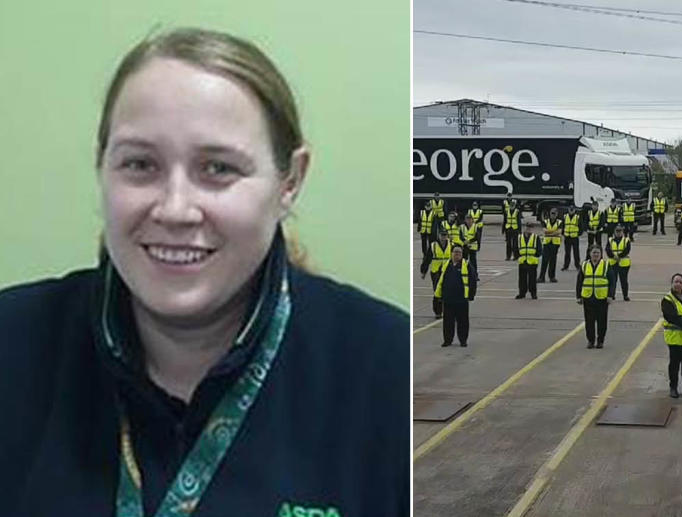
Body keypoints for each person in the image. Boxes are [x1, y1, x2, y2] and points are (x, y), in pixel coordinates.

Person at [0, 28, 408, 515]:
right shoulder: (13, 344)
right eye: (139, 164)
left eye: (217, 169)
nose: (175, 209)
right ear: (101, 166)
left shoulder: (390, 370)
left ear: (290, 181)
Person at [435, 246, 478, 347]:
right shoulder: (446, 265)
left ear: (462, 254)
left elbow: (473, 281)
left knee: (462, 321)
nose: (457, 254)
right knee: (447, 322)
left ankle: (463, 340)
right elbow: (441, 281)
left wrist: (471, 295)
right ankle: (447, 340)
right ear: (452, 253)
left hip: (461, 299)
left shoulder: (466, 265)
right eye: (455, 252)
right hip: (448, 299)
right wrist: (439, 295)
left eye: (459, 253)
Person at [576, 246, 612, 349]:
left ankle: (600, 340)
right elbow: (579, 281)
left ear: (601, 254)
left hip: (602, 297)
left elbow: (612, 281)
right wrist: (578, 296)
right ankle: (590, 340)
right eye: (594, 253)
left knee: (602, 320)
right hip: (588, 297)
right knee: (589, 321)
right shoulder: (584, 265)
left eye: (598, 253)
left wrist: (610, 295)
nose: (595, 255)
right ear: (590, 254)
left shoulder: (606, 265)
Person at [516, 221, 542, 299]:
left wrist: (535, 256)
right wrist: (518, 256)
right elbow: (516, 248)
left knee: (532, 279)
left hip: (532, 261)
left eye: (530, 228)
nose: (528, 229)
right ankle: (522, 293)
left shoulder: (535, 237)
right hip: (523, 261)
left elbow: (539, 249)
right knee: (522, 279)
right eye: (527, 227)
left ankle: (533, 293)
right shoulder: (520, 237)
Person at [605, 225, 632, 301]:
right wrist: (614, 256)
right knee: (613, 280)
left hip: (623, 263)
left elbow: (627, 250)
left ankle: (625, 295)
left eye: (620, 231)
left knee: (624, 280)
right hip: (613, 262)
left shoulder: (626, 240)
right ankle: (612, 295)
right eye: (617, 231)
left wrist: (619, 256)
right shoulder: (610, 240)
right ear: (614, 232)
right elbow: (607, 249)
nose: (618, 233)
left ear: (622, 232)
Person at [539, 208, 562, 283]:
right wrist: (553, 232)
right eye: (552, 213)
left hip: (555, 244)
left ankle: (552, 277)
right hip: (547, 243)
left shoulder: (559, 222)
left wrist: (549, 232)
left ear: (557, 214)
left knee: (553, 261)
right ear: (549, 213)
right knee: (544, 261)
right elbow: (544, 231)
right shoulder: (546, 221)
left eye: (554, 213)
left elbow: (559, 232)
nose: (553, 215)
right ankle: (541, 277)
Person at [561, 205, 582, 271]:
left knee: (576, 252)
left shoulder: (577, 217)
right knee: (567, 253)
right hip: (567, 237)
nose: (571, 211)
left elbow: (581, 227)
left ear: (574, 210)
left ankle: (577, 265)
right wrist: (563, 233)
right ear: (568, 210)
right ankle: (566, 266)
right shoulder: (565, 216)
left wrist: (578, 234)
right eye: (570, 210)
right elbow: (562, 226)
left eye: (572, 210)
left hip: (575, 237)